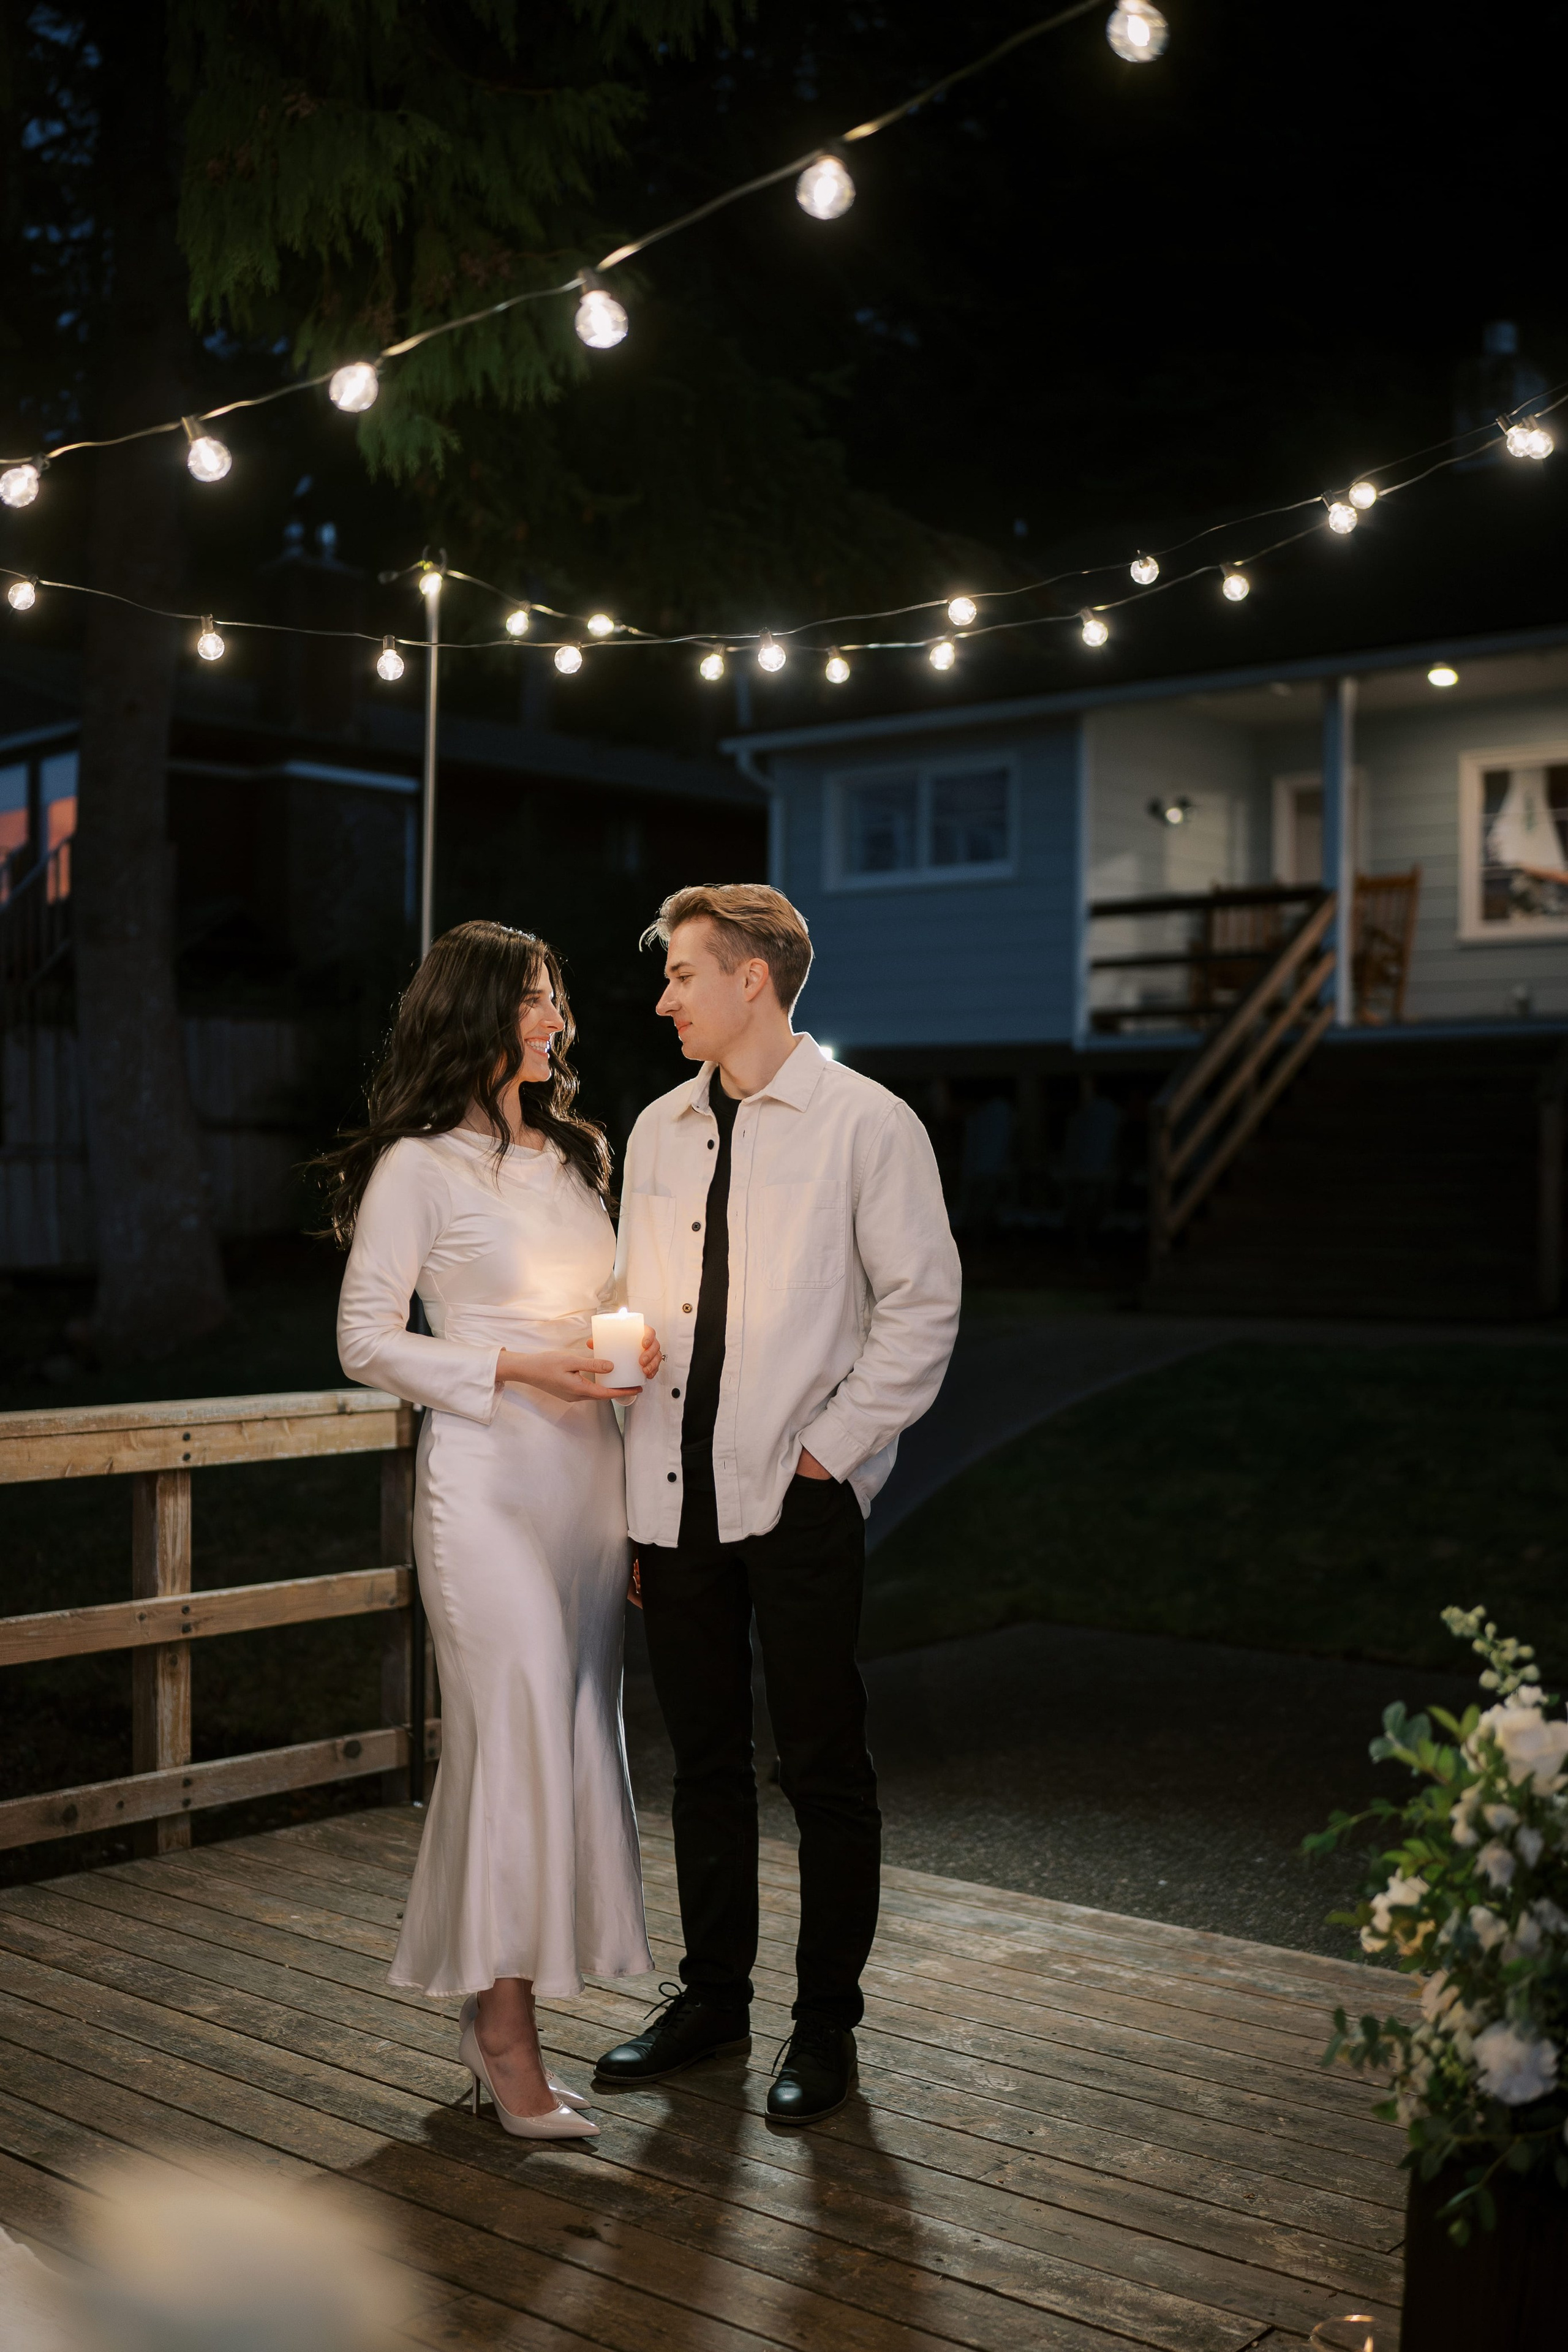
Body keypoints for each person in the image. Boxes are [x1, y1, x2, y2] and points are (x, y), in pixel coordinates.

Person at [595, 883, 961, 2123]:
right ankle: (711, 2001)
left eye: (683, 975)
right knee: (699, 1760)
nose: (663, 1000)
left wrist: (832, 1455)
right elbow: (637, 1300)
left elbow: (921, 1309)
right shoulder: (654, 1131)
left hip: (797, 1501)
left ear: (750, 979)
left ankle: (824, 2025)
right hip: (667, 1495)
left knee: (820, 1763)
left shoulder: (866, 1126)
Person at [329, 920, 660, 2142]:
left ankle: (507, 2020)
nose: (553, 1016)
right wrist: (520, 1365)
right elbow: (365, 1340)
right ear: (473, 1012)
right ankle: (502, 2035)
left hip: (586, 1486)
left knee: (570, 1742)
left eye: (555, 994)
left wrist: (628, 1380)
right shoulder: (417, 1168)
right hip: (482, 1487)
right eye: (531, 996)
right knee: (510, 1741)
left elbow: (609, 1307)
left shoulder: (579, 1153)